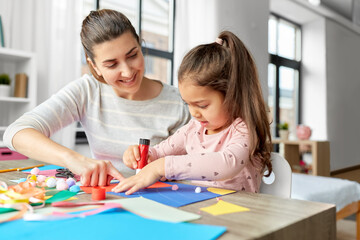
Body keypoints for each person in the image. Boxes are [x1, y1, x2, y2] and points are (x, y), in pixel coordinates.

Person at [3, 9, 190, 187]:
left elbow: (198, 164)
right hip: (105, 200)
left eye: (132, 55)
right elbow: (16, 132)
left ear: (140, 46)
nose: (127, 71)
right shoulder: (88, 91)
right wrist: (75, 159)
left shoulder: (180, 102)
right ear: (95, 66)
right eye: (111, 64)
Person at [112, 31, 273, 195]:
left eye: (202, 105)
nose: (194, 113)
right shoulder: (193, 128)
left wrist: (162, 167)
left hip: (242, 213)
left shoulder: (242, 129)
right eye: (187, 103)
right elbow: (160, 152)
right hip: (201, 207)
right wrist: (144, 156)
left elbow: (227, 163)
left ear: (233, 95)